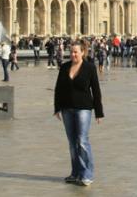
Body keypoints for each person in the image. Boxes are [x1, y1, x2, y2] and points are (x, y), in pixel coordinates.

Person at [54, 39, 104, 187]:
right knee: (72, 143)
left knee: (82, 141)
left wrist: (99, 112)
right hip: (67, 108)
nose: (73, 54)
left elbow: (96, 90)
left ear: (83, 52)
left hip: (83, 108)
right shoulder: (64, 67)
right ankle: (75, 172)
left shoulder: (89, 68)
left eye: (76, 52)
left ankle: (87, 174)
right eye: (71, 52)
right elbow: (58, 89)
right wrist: (57, 108)